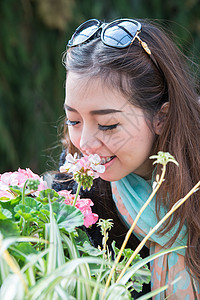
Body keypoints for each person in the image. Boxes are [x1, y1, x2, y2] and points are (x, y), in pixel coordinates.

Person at [54, 18, 200, 299]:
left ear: (162, 117)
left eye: (107, 125)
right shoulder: (74, 194)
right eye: (74, 120)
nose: (85, 144)